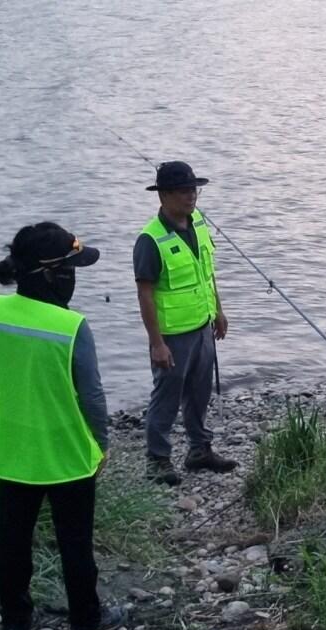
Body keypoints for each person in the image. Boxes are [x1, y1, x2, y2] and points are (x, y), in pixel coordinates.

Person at [0, 222, 124, 630]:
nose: (76, 276)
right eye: (72, 267)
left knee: (12, 542)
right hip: (67, 454)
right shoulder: (71, 326)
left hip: (13, 451)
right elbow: (92, 397)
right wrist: (103, 443)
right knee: (75, 542)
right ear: (52, 273)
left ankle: (15, 627)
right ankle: (85, 625)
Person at [134, 161, 237, 486]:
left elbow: (207, 273)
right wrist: (156, 342)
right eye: (183, 191)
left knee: (199, 391)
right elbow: (145, 294)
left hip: (203, 325)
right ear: (163, 195)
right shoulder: (150, 240)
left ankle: (199, 450)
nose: (191, 196)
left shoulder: (200, 224)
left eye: (194, 189)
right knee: (166, 395)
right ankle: (157, 459)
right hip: (172, 334)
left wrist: (218, 311)